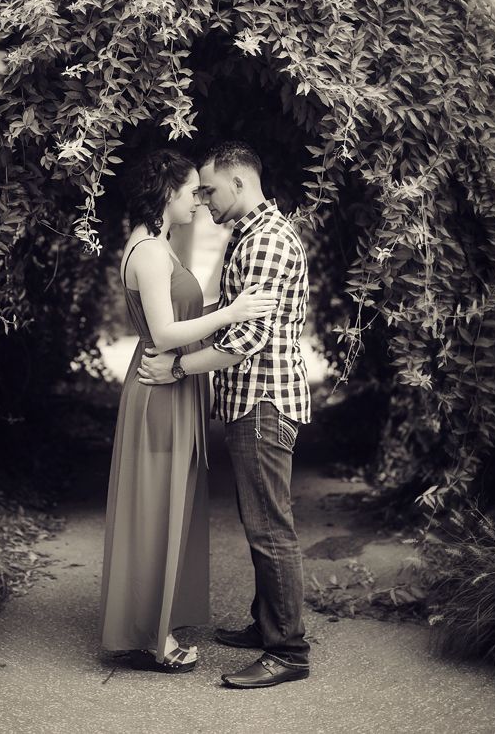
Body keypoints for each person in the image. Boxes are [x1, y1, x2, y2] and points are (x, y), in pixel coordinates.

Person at [138, 141, 312, 688]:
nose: (204, 200)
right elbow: (225, 314)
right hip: (252, 400)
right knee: (261, 520)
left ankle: (288, 651)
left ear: (240, 182)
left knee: (269, 529)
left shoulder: (266, 242)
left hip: (263, 401)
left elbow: (245, 339)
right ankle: (268, 627)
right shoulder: (251, 235)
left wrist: (178, 368)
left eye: (209, 188)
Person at [98, 147, 277, 674]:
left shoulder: (156, 245)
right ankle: (154, 640)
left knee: (164, 507)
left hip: (170, 383)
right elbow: (166, 333)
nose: (198, 201)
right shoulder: (150, 253)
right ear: (166, 194)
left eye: (202, 192)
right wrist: (234, 310)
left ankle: (151, 627)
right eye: (190, 192)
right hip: (159, 385)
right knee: (156, 510)